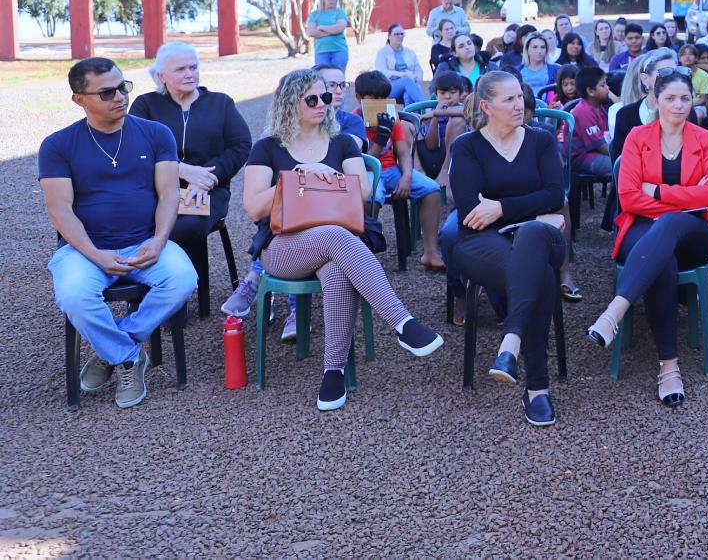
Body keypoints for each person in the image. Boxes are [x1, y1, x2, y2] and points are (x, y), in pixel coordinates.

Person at [242, 69, 442, 410]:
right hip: (284, 247)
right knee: (337, 238)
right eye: (312, 99)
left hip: (335, 241)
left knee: (336, 268)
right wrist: (296, 180)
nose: (323, 104)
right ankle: (402, 323)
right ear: (290, 103)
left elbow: (362, 193)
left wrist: (329, 177)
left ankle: (332, 371)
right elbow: (252, 207)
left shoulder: (342, 142)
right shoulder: (268, 148)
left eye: (325, 97)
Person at [41, 58, 198, 409]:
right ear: (79, 99)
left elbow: (169, 193)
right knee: (74, 296)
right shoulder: (58, 145)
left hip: (145, 241)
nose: (120, 97)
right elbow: (59, 210)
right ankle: (128, 357)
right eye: (107, 92)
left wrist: (158, 241)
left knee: (183, 279)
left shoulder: (157, 134)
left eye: (123, 86)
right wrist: (96, 255)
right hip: (84, 251)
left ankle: (112, 346)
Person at [586, 67, 708, 407]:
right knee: (664, 257)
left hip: (696, 231)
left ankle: (614, 312)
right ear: (655, 100)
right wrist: (685, 195)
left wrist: (659, 191)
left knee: (669, 226)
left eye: (685, 98)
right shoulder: (637, 137)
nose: (678, 105)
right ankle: (669, 366)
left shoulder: (705, 139)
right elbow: (629, 196)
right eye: (670, 98)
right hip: (643, 228)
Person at [444, 70, 568, 427]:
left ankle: (511, 344)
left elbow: (555, 195)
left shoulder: (541, 141)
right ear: (487, 106)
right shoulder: (466, 147)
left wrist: (500, 208)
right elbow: (469, 211)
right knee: (540, 273)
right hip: (481, 244)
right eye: (509, 99)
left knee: (532, 237)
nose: (520, 105)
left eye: (520, 97)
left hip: (537, 237)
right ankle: (537, 389)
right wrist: (531, 208)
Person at [128, 42, 251, 308]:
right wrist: (184, 171)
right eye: (180, 69)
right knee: (138, 219)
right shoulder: (145, 105)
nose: (189, 74)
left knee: (188, 226)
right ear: (161, 75)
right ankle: (155, 287)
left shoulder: (221, 103)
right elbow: (134, 148)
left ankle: (180, 295)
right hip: (157, 190)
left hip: (209, 189)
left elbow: (240, 145)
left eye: (193, 67)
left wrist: (209, 178)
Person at [353, 70, 445, 269]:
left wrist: (407, 175)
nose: (379, 102)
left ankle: (430, 251)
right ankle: (365, 256)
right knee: (369, 197)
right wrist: (380, 137)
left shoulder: (390, 116)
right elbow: (365, 161)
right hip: (368, 172)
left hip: (392, 171)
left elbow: (403, 152)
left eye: (384, 97)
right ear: (359, 98)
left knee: (431, 189)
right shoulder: (354, 121)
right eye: (373, 98)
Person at [610, 48, 681, 161]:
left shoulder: (685, 112)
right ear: (645, 79)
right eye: (664, 72)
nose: (672, 79)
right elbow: (620, 166)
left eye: (675, 73)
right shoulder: (626, 115)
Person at [569, 66, 614, 181]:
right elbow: (600, 145)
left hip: (595, 152)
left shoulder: (599, 106)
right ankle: (615, 199)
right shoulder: (583, 111)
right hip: (581, 157)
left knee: (626, 163)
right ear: (590, 91)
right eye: (603, 85)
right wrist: (620, 154)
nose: (608, 88)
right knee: (620, 166)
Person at [373, 23, 426, 105]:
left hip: (410, 84)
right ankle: (426, 107)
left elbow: (418, 70)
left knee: (408, 95)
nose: (400, 36)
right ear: (389, 36)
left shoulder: (410, 52)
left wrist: (415, 78)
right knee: (407, 81)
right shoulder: (382, 53)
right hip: (389, 87)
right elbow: (382, 73)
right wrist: (403, 75)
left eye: (402, 34)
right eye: (396, 34)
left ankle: (410, 117)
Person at [677, 42, 708, 135]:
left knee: (697, 115)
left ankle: (694, 140)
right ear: (680, 58)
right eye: (684, 54)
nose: (687, 57)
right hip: (678, 105)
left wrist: (690, 105)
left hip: (697, 105)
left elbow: (704, 98)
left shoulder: (702, 75)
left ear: (696, 58)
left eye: (690, 54)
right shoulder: (675, 74)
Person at [305, 0, 350, 71]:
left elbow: (340, 28)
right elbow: (310, 32)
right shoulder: (315, 14)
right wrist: (333, 30)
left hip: (339, 50)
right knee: (324, 78)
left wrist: (321, 27)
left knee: (338, 78)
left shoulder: (340, 12)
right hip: (321, 52)